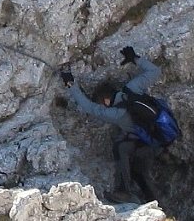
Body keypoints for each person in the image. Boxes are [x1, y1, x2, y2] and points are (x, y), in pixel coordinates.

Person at [61, 46, 162, 204]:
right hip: (158, 132)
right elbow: (155, 72)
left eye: (102, 103)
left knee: (121, 148)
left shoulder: (115, 113)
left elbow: (89, 107)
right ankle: (155, 204)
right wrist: (135, 58)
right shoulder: (132, 88)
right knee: (140, 172)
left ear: (106, 101)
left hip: (146, 143)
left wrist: (70, 84)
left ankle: (124, 192)